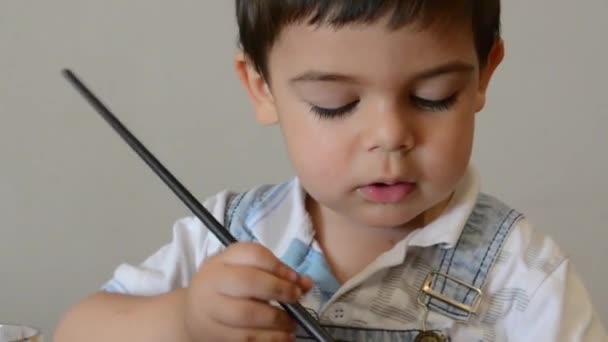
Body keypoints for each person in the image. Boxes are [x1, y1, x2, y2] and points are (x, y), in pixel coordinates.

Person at [54, 1, 607, 341]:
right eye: (335, 104)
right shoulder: (229, 235)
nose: (390, 136)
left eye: (433, 96)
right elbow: (74, 333)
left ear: (484, 75)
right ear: (261, 88)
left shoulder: (523, 277)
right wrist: (185, 324)